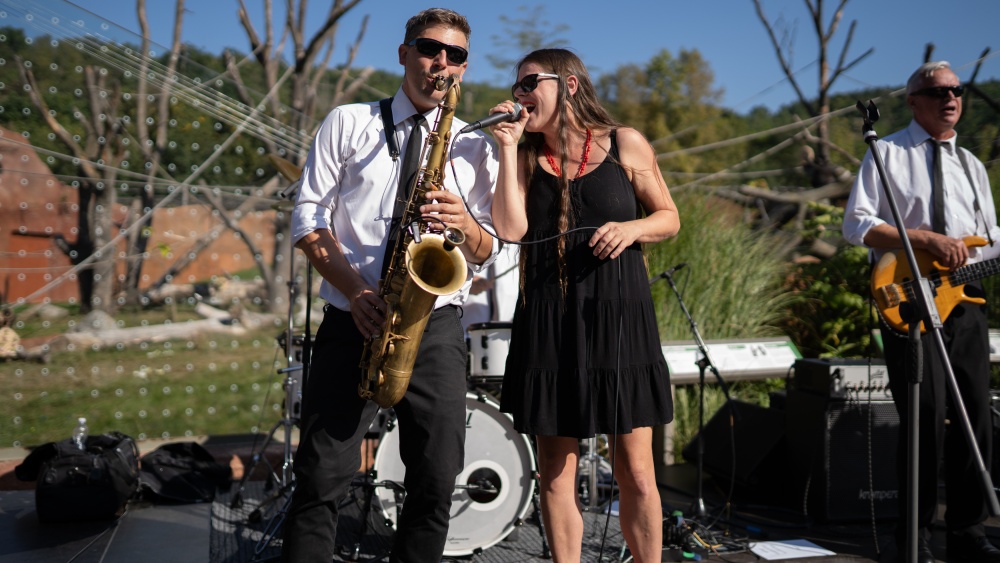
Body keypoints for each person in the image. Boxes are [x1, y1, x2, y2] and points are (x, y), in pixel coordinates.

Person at [283, 8, 498, 562]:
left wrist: (465, 223)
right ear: (404, 53)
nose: (441, 63)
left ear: (464, 69)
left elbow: (489, 248)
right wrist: (355, 291)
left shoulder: (473, 147)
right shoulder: (349, 122)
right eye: (430, 49)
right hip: (353, 316)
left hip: (436, 326)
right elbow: (308, 221)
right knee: (321, 477)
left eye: (456, 56)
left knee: (436, 479)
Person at [488, 48, 680, 562]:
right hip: (550, 320)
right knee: (556, 472)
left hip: (620, 318)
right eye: (517, 86)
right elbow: (509, 230)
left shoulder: (625, 143)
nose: (520, 94)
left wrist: (634, 227)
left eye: (531, 82)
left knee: (637, 471)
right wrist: (506, 150)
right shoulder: (524, 156)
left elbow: (669, 217)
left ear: (569, 84)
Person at [843, 60, 1000, 563]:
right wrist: (925, 238)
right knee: (925, 415)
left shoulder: (972, 166)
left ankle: (967, 530)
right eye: (938, 92)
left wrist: (970, 253)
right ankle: (913, 536)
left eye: (957, 90)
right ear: (914, 101)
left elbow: (988, 242)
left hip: (965, 304)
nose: (951, 98)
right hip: (909, 300)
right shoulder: (886, 152)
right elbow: (857, 226)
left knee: (977, 413)